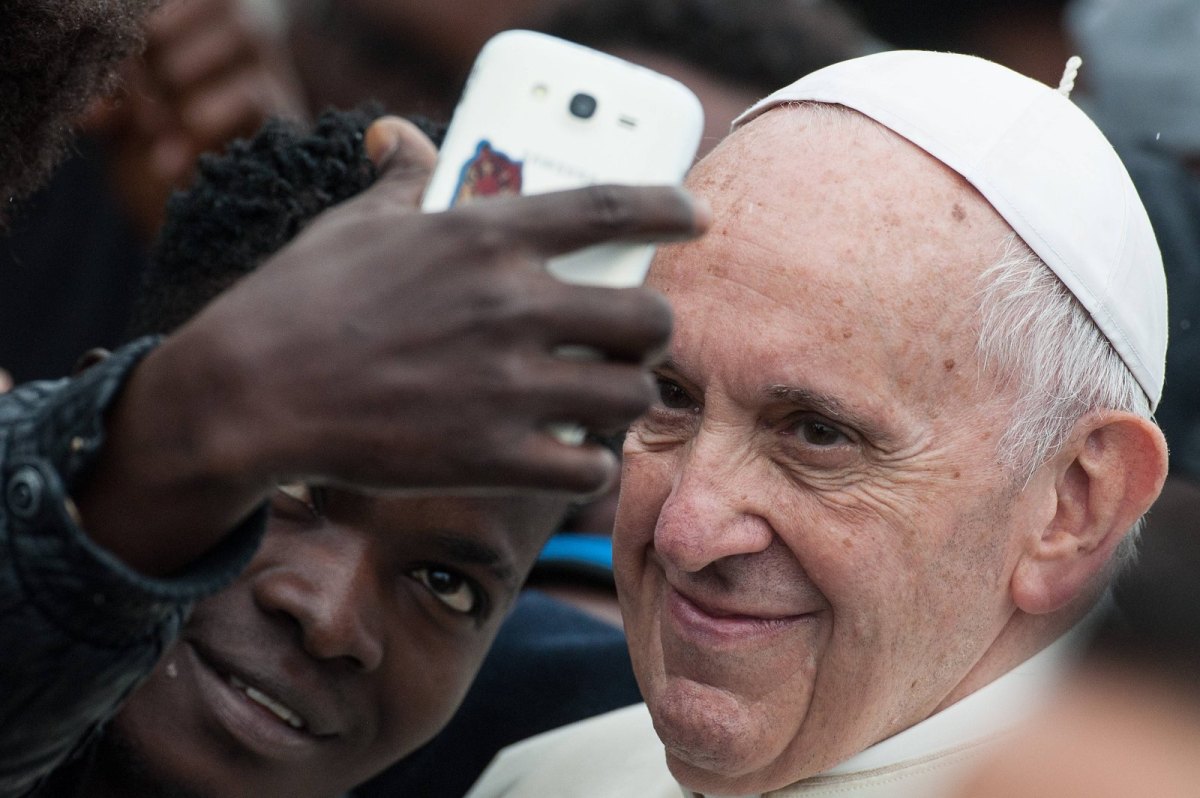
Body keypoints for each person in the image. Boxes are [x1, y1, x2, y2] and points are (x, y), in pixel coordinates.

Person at [0, 3, 707, 796]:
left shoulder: (578, 735)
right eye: (285, 483)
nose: (329, 616)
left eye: (448, 585)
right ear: (99, 410)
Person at [465, 50, 1169, 798]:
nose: (685, 530)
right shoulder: (546, 774)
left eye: (816, 434)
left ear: (1074, 504)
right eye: (671, 396)